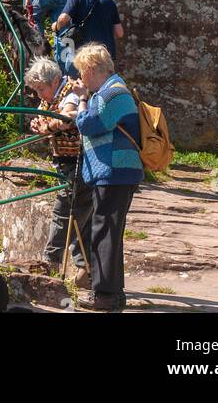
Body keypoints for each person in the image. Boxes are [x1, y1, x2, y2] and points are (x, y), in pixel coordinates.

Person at [70, 42, 143, 313]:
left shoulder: (111, 93)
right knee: (110, 233)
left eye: (82, 71)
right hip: (116, 171)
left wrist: (82, 99)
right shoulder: (113, 90)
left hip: (114, 171)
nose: (81, 77)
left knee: (104, 233)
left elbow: (89, 124)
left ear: (91, 69)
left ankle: (103, 296)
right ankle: (114, 294)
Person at [25, 57, 93, 285]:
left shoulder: (70, 92)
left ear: (55, 81)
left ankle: (50, 263)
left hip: (79, 162)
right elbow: (42, 117)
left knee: (64, 213)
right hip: (65, 162)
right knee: (78, 216)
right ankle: (85, 269)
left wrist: (45, 126)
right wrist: (38, 124)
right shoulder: (50, 97)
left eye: (41, 89)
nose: (39, 95)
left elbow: (66, 117)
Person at [53, 0, 124, 69]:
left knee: (76, 82)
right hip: (105, 56)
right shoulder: (109, 0)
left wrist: (56, 26)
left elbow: (64, 18)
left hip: (83, 54)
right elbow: (119, 33)